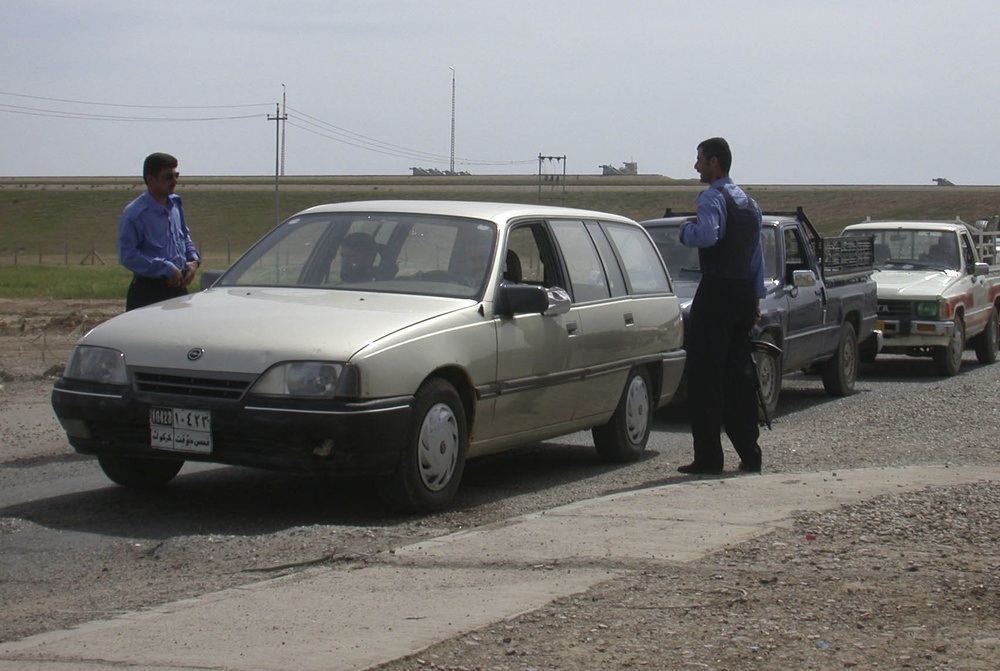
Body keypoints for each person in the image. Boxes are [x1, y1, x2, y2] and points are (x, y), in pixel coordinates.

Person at [677, 137, 766, 475]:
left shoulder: (712, 197)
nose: (696, 166)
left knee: (705, 376)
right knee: (739, 375)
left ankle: (709, 458)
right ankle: (750, 452)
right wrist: (755, 298)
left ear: (714, 163)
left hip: (716, 293)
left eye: (700, 160)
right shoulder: (750, 204)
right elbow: (756, 257)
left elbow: (708, 235)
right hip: (743, 295)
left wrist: (685, 230)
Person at [117, 153, 201, 311]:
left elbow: (185, 237)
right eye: (168, 177)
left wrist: (194, 262)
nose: (174, 181)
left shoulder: (176, 205)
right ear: (150, 179)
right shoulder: (135, 214)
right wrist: (165, 268)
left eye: (176, 175)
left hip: (178, 289)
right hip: (149, 292)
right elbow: (127, 256)